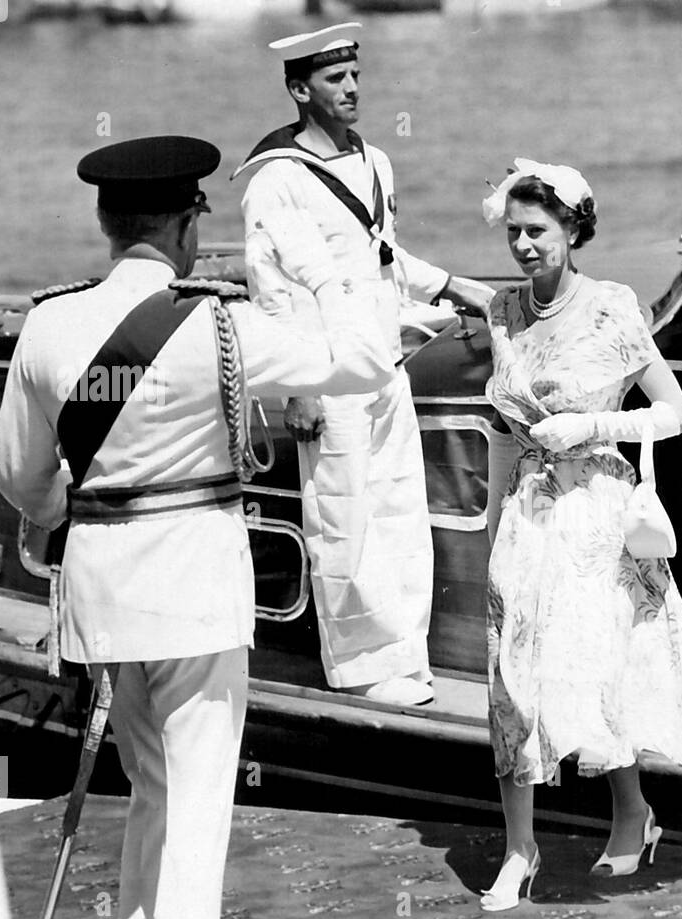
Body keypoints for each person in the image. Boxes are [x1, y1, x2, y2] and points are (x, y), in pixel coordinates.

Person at [0, 136, 393, 919]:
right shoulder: (221, 326)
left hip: (101, 605)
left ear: (107, 222)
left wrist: (65, 507)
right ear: (184, 227)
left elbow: (19, 476)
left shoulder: (49, 326)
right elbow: (367, 359)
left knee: (154, 800)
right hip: (197, 598)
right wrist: (327, 269)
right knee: (196, 818)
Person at [478, 159, 682, 910]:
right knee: (513, 677)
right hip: (526, 512)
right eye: (513, 232)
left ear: (573, 228)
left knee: (597, 668)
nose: (523, 245)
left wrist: (592, 424)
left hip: (595, 511)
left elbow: (674, 413)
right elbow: (506, 431)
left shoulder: (612, 306)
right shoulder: (503, 311)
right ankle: (519, 850)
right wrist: (494, 521)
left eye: (537, 231)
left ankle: (632, 813)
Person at [234, 23, 495, 707]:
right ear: (300, 90)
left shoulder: (375, 160)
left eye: (355, 75)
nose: (351, 88)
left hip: (383, 359)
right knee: (343, 518)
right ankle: (360, 668)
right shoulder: (277, 179)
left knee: (400, 509)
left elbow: (381, 256)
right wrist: (296, 386)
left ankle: (406, 656)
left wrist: (451, 284)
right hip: (326, 372)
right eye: (334, 79)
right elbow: (272, 287)